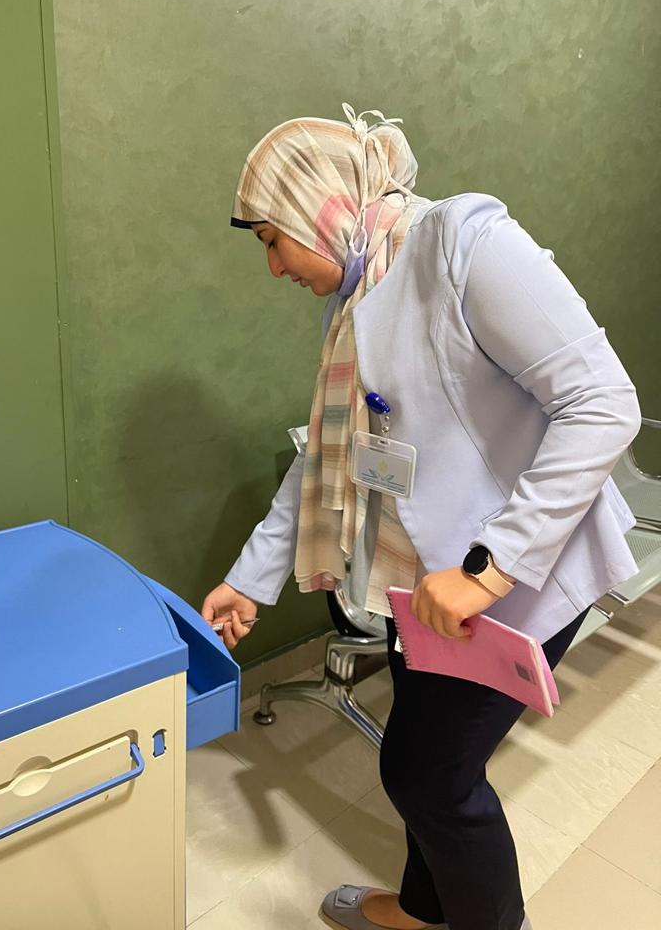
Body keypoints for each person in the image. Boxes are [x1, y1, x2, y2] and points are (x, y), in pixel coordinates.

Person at [200, 104, 642, 930]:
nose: (273, 266)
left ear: (318, 206)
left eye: (270, 238)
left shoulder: (462, 243)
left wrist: (490, 569)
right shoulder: (361, 287)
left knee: (430, 777)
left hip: (503, 585)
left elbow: (603, 404)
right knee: (424, 761)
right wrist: (250, 579)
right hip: (419, 588)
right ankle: (422, 909)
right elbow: (329, 454)